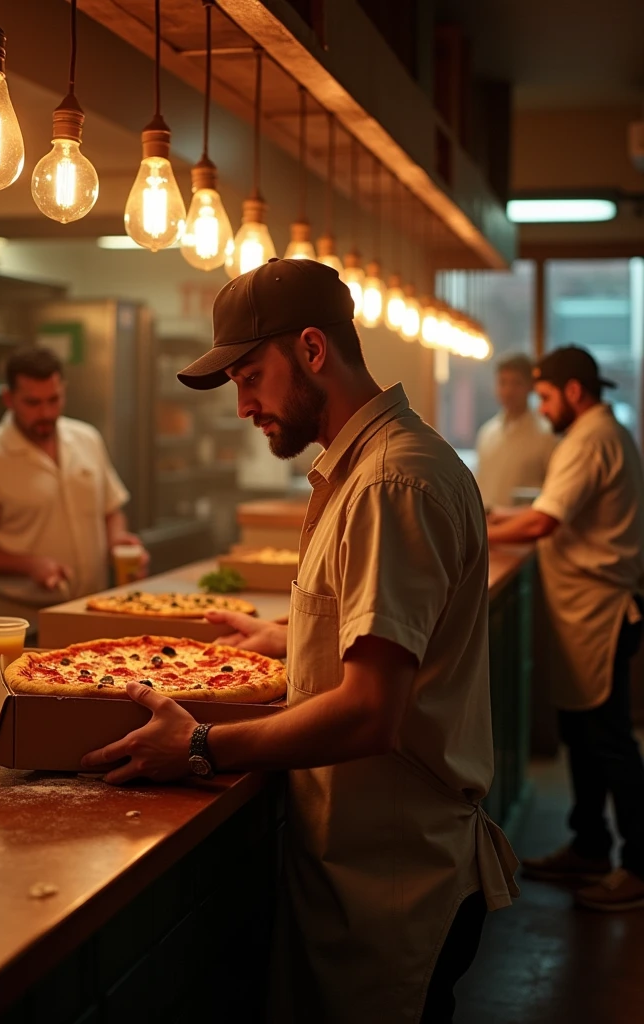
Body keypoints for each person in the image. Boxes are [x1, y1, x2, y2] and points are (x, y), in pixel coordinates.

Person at [82, 258, 519, 1024]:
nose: (244, 405)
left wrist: (199, 746)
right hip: (365, 867)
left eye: (250, 376)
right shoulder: (364, 471)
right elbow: (377, 625)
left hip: (395, 880)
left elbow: (370, 712)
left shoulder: (390, 485)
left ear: (312, 350)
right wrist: (286, 636)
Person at [487, 345, 644, 911]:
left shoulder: (590, 438)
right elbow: (541, 512)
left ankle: (639, 866)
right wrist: (489, 516)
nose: (542, 406)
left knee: (610, 741)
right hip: (586, 610)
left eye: (547, 397)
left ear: (574, 392)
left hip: (601, 611)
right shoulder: (594, 434)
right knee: (584, 735)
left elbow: (544, 520)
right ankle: (591, 846)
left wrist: (469, 535)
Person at [0, 346, 145, 629]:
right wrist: (30, 566)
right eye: (32, 403)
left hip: (91, 610)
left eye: (53, 400)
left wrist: (116, 540)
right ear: (9, 398)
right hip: (20, 623)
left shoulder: (86, 438)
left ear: (64, 391)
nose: (45, 412)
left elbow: (111, 509)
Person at [475, 352, 556, 509]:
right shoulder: (487, 432)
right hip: (487, 525)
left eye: (516, 383)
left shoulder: (547, 433)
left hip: (526, 526)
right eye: (503, 383)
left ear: (530, 386)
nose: (508, 391)